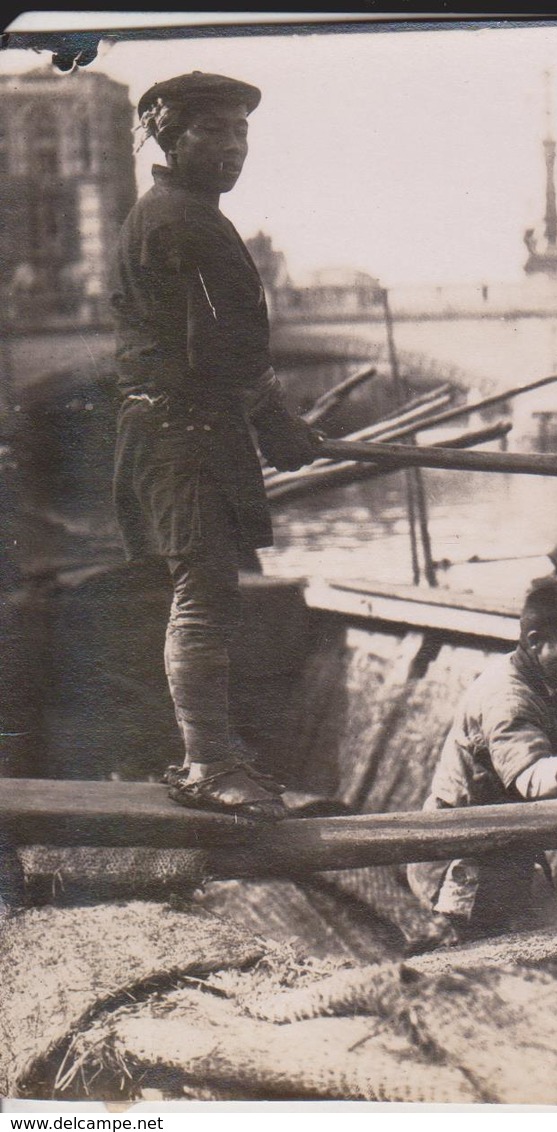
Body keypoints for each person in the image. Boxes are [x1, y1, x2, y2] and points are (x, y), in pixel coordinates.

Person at [110, 72, 323, 819]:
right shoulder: (185, 223)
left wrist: (271, 421)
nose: (233, 149)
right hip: (185, 435)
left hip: (179, 430)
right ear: (171, 137)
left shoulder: (171, 213)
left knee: (209, 594)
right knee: (203, 597)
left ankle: (214, 756)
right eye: (213, 132)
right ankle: (208, 765)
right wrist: (281, 425)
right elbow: (227, 353)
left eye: (241, 133)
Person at [407, 585, 557, 939]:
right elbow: (534, 781)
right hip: (464, 850)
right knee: (471, 950)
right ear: (535, 642)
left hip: (510, 839)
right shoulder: (507, 697)